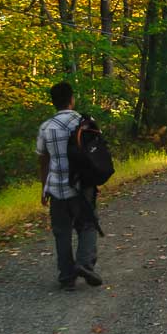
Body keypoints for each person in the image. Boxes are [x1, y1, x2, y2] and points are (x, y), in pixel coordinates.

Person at [37, 81, 103, 291]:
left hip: (57, 187)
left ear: (53, 102)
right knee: (88, 225)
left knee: (62, 232)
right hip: (82, 185)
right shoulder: (84, 121)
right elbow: (98, 149)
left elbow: (42, 159)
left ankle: (66, 277)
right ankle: (84, 263)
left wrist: (44, 187)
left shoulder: (46, 127)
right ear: (71, 99)